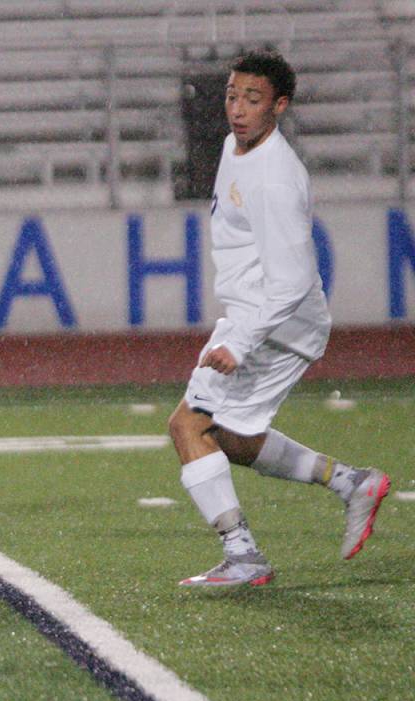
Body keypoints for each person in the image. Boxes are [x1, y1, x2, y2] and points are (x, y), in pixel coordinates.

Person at [168, 49, 391, 588]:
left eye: (253, 99)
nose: (238, 109)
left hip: (275, 324)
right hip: (262, 317)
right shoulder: (233, 146)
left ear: (280, 106)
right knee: (228, 436)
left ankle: (243, 555)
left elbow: (290, 282)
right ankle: (351, 482)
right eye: (231, 95)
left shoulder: (276, 177)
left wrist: (240, 343)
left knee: (187, 426)